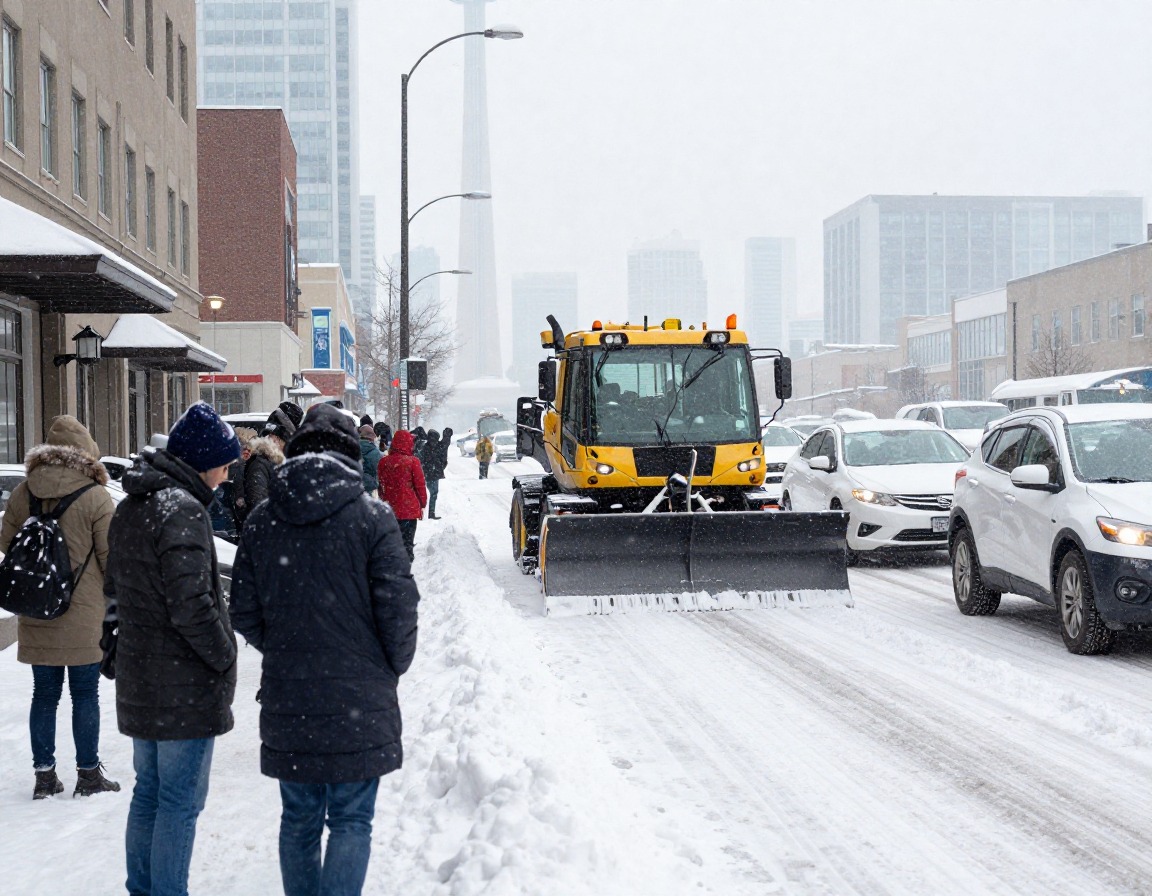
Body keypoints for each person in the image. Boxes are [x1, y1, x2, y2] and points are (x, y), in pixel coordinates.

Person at [230, 404, 420, 896]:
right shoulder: (373, 519)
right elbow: (399, 609)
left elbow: (244, 610)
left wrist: (287, 649)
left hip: (290, 698)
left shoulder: (263, 522)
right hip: (360, 699)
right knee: (352, 821)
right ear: (349, 454)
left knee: (299, 819)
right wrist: (386, 667)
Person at [104, 401, 239, 896]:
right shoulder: (181, 511)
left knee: (150, 794)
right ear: (203, 463)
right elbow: (192, 607)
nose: (225, 478)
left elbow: (112, 591)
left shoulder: (133, 506)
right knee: (179, 801)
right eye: (223, 468)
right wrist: (225, 655)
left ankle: (144, 889)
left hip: (142, 677)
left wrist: (116, 647)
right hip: (182, 686)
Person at [0, 415, 119, 800]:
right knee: (85, 695)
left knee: (44, 694)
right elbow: (111, 559)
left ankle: (44, 776)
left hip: (38, 609)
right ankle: (88, 774)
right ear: (85, 453)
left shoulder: (22, 493)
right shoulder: (97, 497)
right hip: (84, 613)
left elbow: (7, 545)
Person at [377, 430, 426, 562]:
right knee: (407, 542)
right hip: (409, 509)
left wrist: (383, 500)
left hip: (390, 509)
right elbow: (420, 485)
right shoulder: (413, 462)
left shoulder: (383, 462)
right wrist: (423, 502)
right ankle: (406, 563)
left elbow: (381, 485)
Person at [225, 426, 258, 533]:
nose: (248, 453)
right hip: (229, 514)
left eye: (250, 450)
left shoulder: (247, 463)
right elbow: (236, 487)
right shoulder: (237, 464)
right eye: (245, 449)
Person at [422, 430, 445, 519]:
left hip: (430, 473)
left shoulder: (425, 447)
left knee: (433, 493)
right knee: (433, 493)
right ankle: (430, 513)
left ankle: (430, 512)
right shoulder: (432, 448)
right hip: (431, 474)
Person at [358, 424, 383, 494]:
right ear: (371, 438)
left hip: (353, 484)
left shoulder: (351, 448)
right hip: (368, 486)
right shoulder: (376, 453)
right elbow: (379, 471)